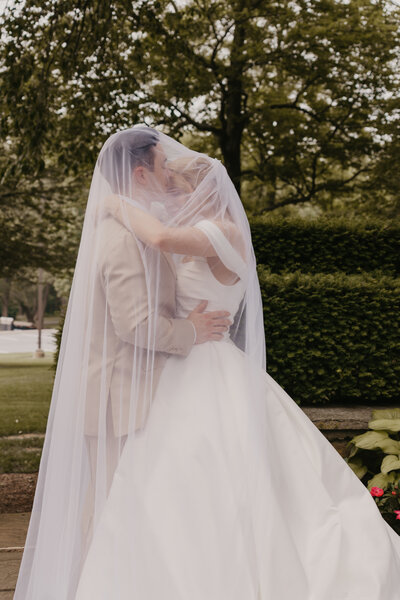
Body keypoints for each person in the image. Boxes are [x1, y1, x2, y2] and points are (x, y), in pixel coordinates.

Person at [16, 125, 400, 600]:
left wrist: (116, 203)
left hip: (205, 362)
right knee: (170, 486)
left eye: (177, 189)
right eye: (167, 184)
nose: (169, 197)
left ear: (203, 194)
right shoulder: (175, 233)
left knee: (211, 478)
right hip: (181, 364)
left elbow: (157, 238)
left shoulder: (220, 231)